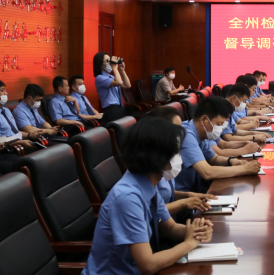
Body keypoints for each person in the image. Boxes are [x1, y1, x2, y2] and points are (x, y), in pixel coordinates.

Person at [82, 117, 213, 275]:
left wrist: (195, 231)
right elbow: (148, 265)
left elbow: (170, 228)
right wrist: (189, 243)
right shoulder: (127, 198)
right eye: (177, 153)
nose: (180, 158)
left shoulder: (147, 184)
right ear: (159, 157)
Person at [175, 97, 261, 193]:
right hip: (181, 194)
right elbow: (207, 172)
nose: (220, 129)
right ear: (204, 120)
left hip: (195, 189)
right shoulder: (186, 135)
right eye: (218, 124)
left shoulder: (202, 133)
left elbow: (214, 159)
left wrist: (231, 161)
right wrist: (244, 169)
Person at [144, 106, 216, 216]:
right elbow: (151, 212)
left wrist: (188, 196)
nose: (182, 133)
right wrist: (184, 203)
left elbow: (164, 194)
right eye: (177, 129)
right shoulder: (150, 166)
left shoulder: (163, 161)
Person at [0, 79, 37, 151]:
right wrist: (20, 142)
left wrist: (29, 135)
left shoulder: (6, 110)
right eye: (2, 90)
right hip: (9, 148)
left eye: (6, 90)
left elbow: (15, 132)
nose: (6, 93)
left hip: (19, 143)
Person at [93, 52, 131, 125]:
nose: (110, 63)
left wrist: (122, 70)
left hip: (119, 108)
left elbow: (127, 85)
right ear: (101, 64)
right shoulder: (99, 78)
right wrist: (114, 67)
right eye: (108, 61)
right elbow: (118, 82)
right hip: (111, 109)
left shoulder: (111, 77)